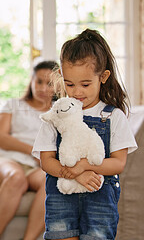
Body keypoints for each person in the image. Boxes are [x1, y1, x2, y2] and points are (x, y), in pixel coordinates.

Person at [32, 29, 137, 240]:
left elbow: (118, 163)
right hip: (61, 197)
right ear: (61, 77)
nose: (77, 92)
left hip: (100, 199)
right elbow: (46, 161)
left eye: (86, 84)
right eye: (70, 84)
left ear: (103, 77)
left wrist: (84, 166)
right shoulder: (55, 115)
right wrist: (75, 174)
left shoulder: (113, 116)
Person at [0, 60, 57, 240]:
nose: (43, 88)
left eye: (49, 84)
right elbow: (0, 137)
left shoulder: (58, 114)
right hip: (2, 160)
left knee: (52, 184)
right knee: (16, 178)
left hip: (34, 167)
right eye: (39, 81)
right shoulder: (14, 104)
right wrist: (34, 151)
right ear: (31, 81)